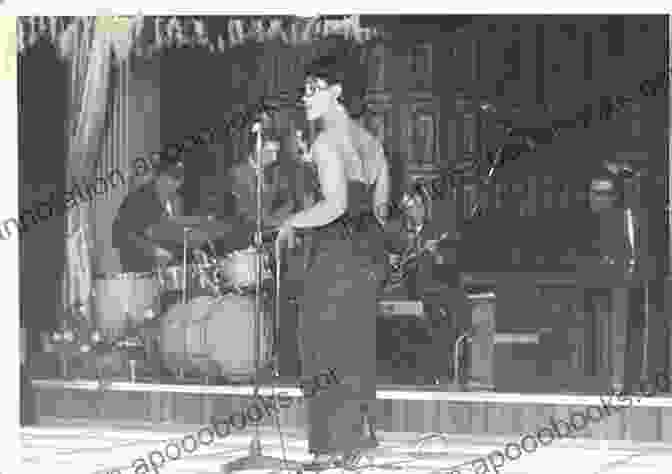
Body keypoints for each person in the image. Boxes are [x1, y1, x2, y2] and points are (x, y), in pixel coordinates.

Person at [275, 53, 391, 469]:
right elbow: (379, 209)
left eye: (312, 89)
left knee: (321, 346)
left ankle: (326, 449)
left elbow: (336, 204)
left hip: (334, 256)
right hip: (366, 256)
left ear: (336, 92)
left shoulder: (326, 142)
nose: (304, 97)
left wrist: (293, 221)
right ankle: (355, 442)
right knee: (356, 346)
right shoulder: (372, 143)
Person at [112, 160, 185, 273]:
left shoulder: (173, 201)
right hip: (140, 272)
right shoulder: (137, 200)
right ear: (160, 177)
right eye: (173, 178)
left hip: (165, 272)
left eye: (179, 179)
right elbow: (119, 234)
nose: (176, 184)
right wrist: (152, 251)